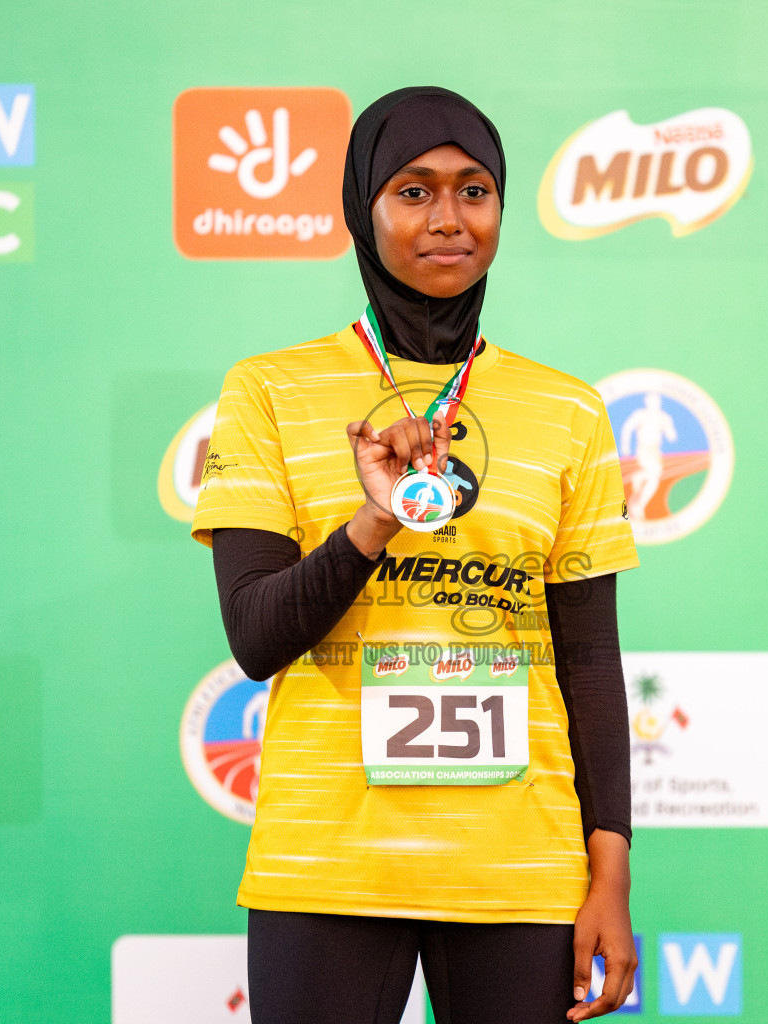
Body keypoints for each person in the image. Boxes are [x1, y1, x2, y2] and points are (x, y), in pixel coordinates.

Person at [192, 86, 639, 1024]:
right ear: (363, 209)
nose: (448, 218)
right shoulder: (270, 391)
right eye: (413, 191)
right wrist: (374, 520)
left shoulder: (568, 410)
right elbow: (256, 637)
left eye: (474, 190)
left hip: (521, 866)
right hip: (329, 863)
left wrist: (611, 875)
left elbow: (590, 660)